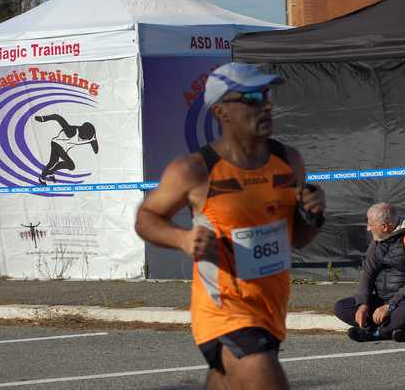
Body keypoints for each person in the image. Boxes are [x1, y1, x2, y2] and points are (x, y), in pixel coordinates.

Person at [134, 62, 326, 390]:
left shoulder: (289, 160)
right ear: (222, 111)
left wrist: (314, 214)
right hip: (223, 310)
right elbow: (147, 218)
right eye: (251, 97)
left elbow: (300, 239)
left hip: (270, 309)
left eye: (266, 95)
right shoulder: (194, 170)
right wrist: (181, 238)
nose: (265, 104)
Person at [334, 202, 405, 342]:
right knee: (341, 307)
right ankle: (395, 330)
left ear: (384, 226)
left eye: (370, 224)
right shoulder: (377, 241)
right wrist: (363, 304)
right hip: (383, 301)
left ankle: (376, 332)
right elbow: (368, 274)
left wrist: (390, 306)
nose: (368, 228)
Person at [35, 114, 99, 184]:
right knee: (63, 164)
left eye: (83, 140)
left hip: (64, 148)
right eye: (80, 138)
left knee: (65, 165)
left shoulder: (90, 137)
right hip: (56, 144)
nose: (80, 140)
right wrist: (43, 118)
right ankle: (42, 178)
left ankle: (50, 172)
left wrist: (96, 149)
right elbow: (58, 118)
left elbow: (94, 144)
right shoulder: (71, 132)